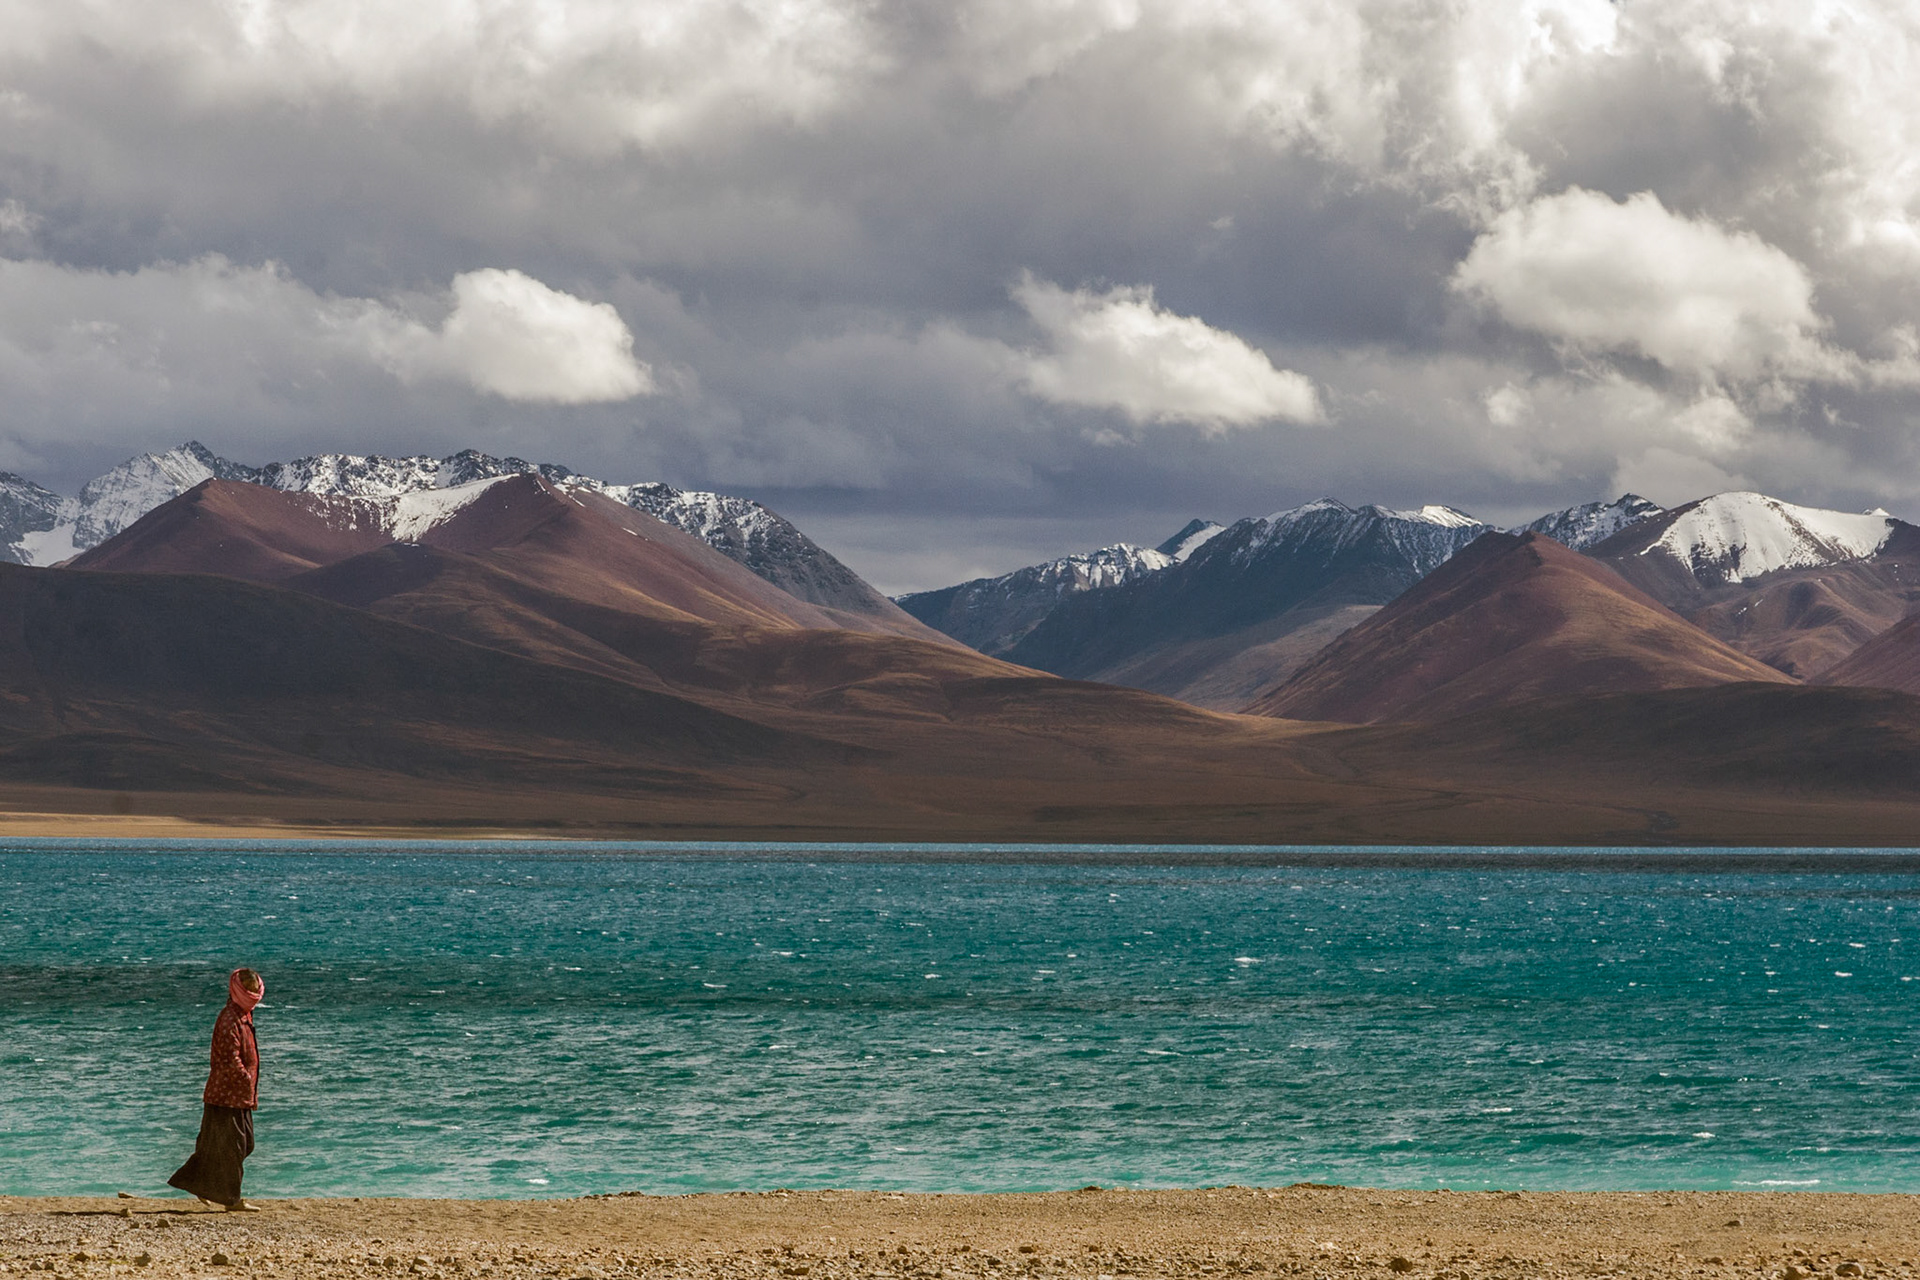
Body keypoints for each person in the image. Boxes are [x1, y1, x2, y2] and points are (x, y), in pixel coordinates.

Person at [168, 968, 265, 1211]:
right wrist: (244, 1077)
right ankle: (232, 1200)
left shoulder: (243, 1016)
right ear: (238, 991)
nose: (254, 994)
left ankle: (198, 1182)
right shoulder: (229, 1019)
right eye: (249, 990)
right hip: (226, 1095)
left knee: (243, 1145)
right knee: (234, 1149)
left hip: (240, 1096)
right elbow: (229, 1058)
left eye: (255, 989)